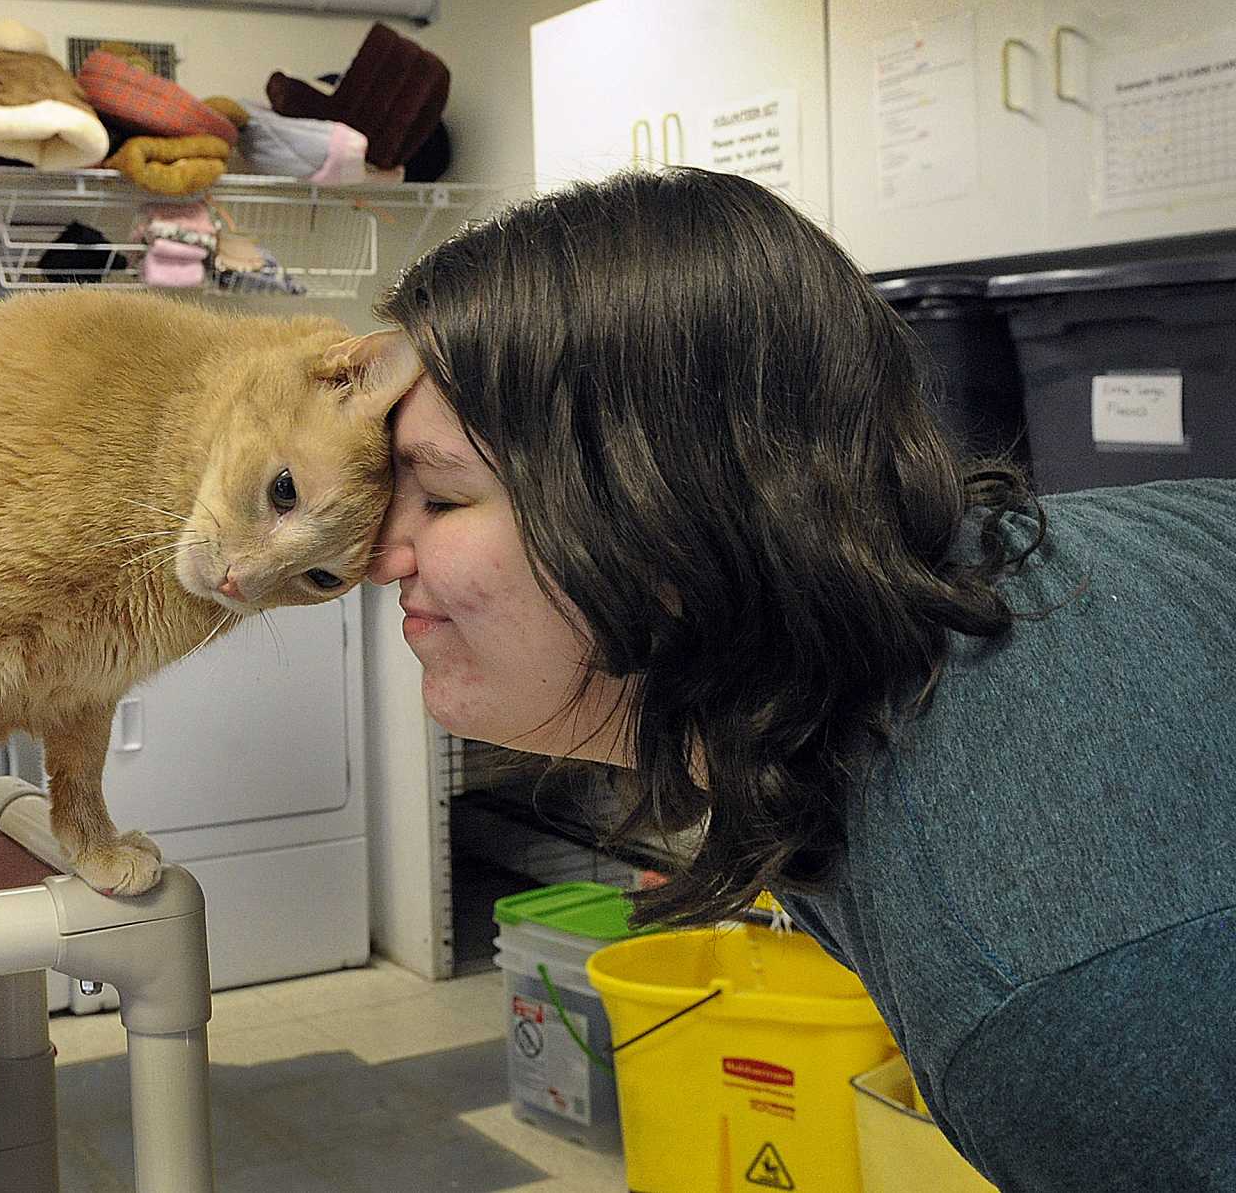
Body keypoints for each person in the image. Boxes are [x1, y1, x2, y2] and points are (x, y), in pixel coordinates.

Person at [365, 165, 1236, 1191]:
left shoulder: (1051, 995)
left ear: (667, 515)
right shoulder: (911, 623)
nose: (378, 555)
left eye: (442, 497)